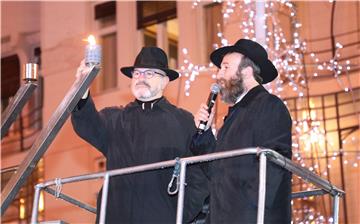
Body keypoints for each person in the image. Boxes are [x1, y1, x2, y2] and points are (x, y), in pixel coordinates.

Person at [72, 47, 208, 223]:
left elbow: (200, 177)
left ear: (165, 81)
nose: (141, 78)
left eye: (149, 73)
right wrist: (82, 88)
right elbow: (87, 124)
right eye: (137, 74)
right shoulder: (115, 119)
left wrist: (177, 215)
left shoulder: (184, 121)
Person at [192, 39, 292, 223]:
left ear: (246, 71)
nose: (218, 74)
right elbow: (216, 171)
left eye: (225, 67)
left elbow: (274, 168)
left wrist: (249, 213)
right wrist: (205, 132)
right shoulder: (232, 117)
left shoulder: (269, 105)